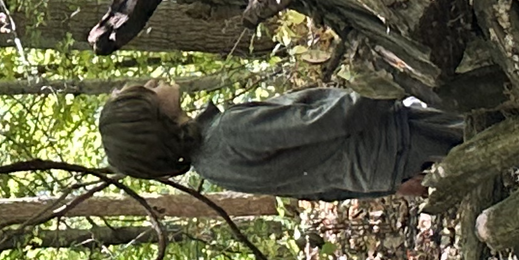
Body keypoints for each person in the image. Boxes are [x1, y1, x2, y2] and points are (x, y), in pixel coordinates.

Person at [97, 78, 465, 200]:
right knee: (481, 128)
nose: (150, 84)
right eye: (143, 94)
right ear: (153, 120)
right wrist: (389, 80)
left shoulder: (212, 166)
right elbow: (329, 121)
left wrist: (387, 187)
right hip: (394, 139)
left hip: (389, 162)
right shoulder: (227, 133)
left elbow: (315, 187)